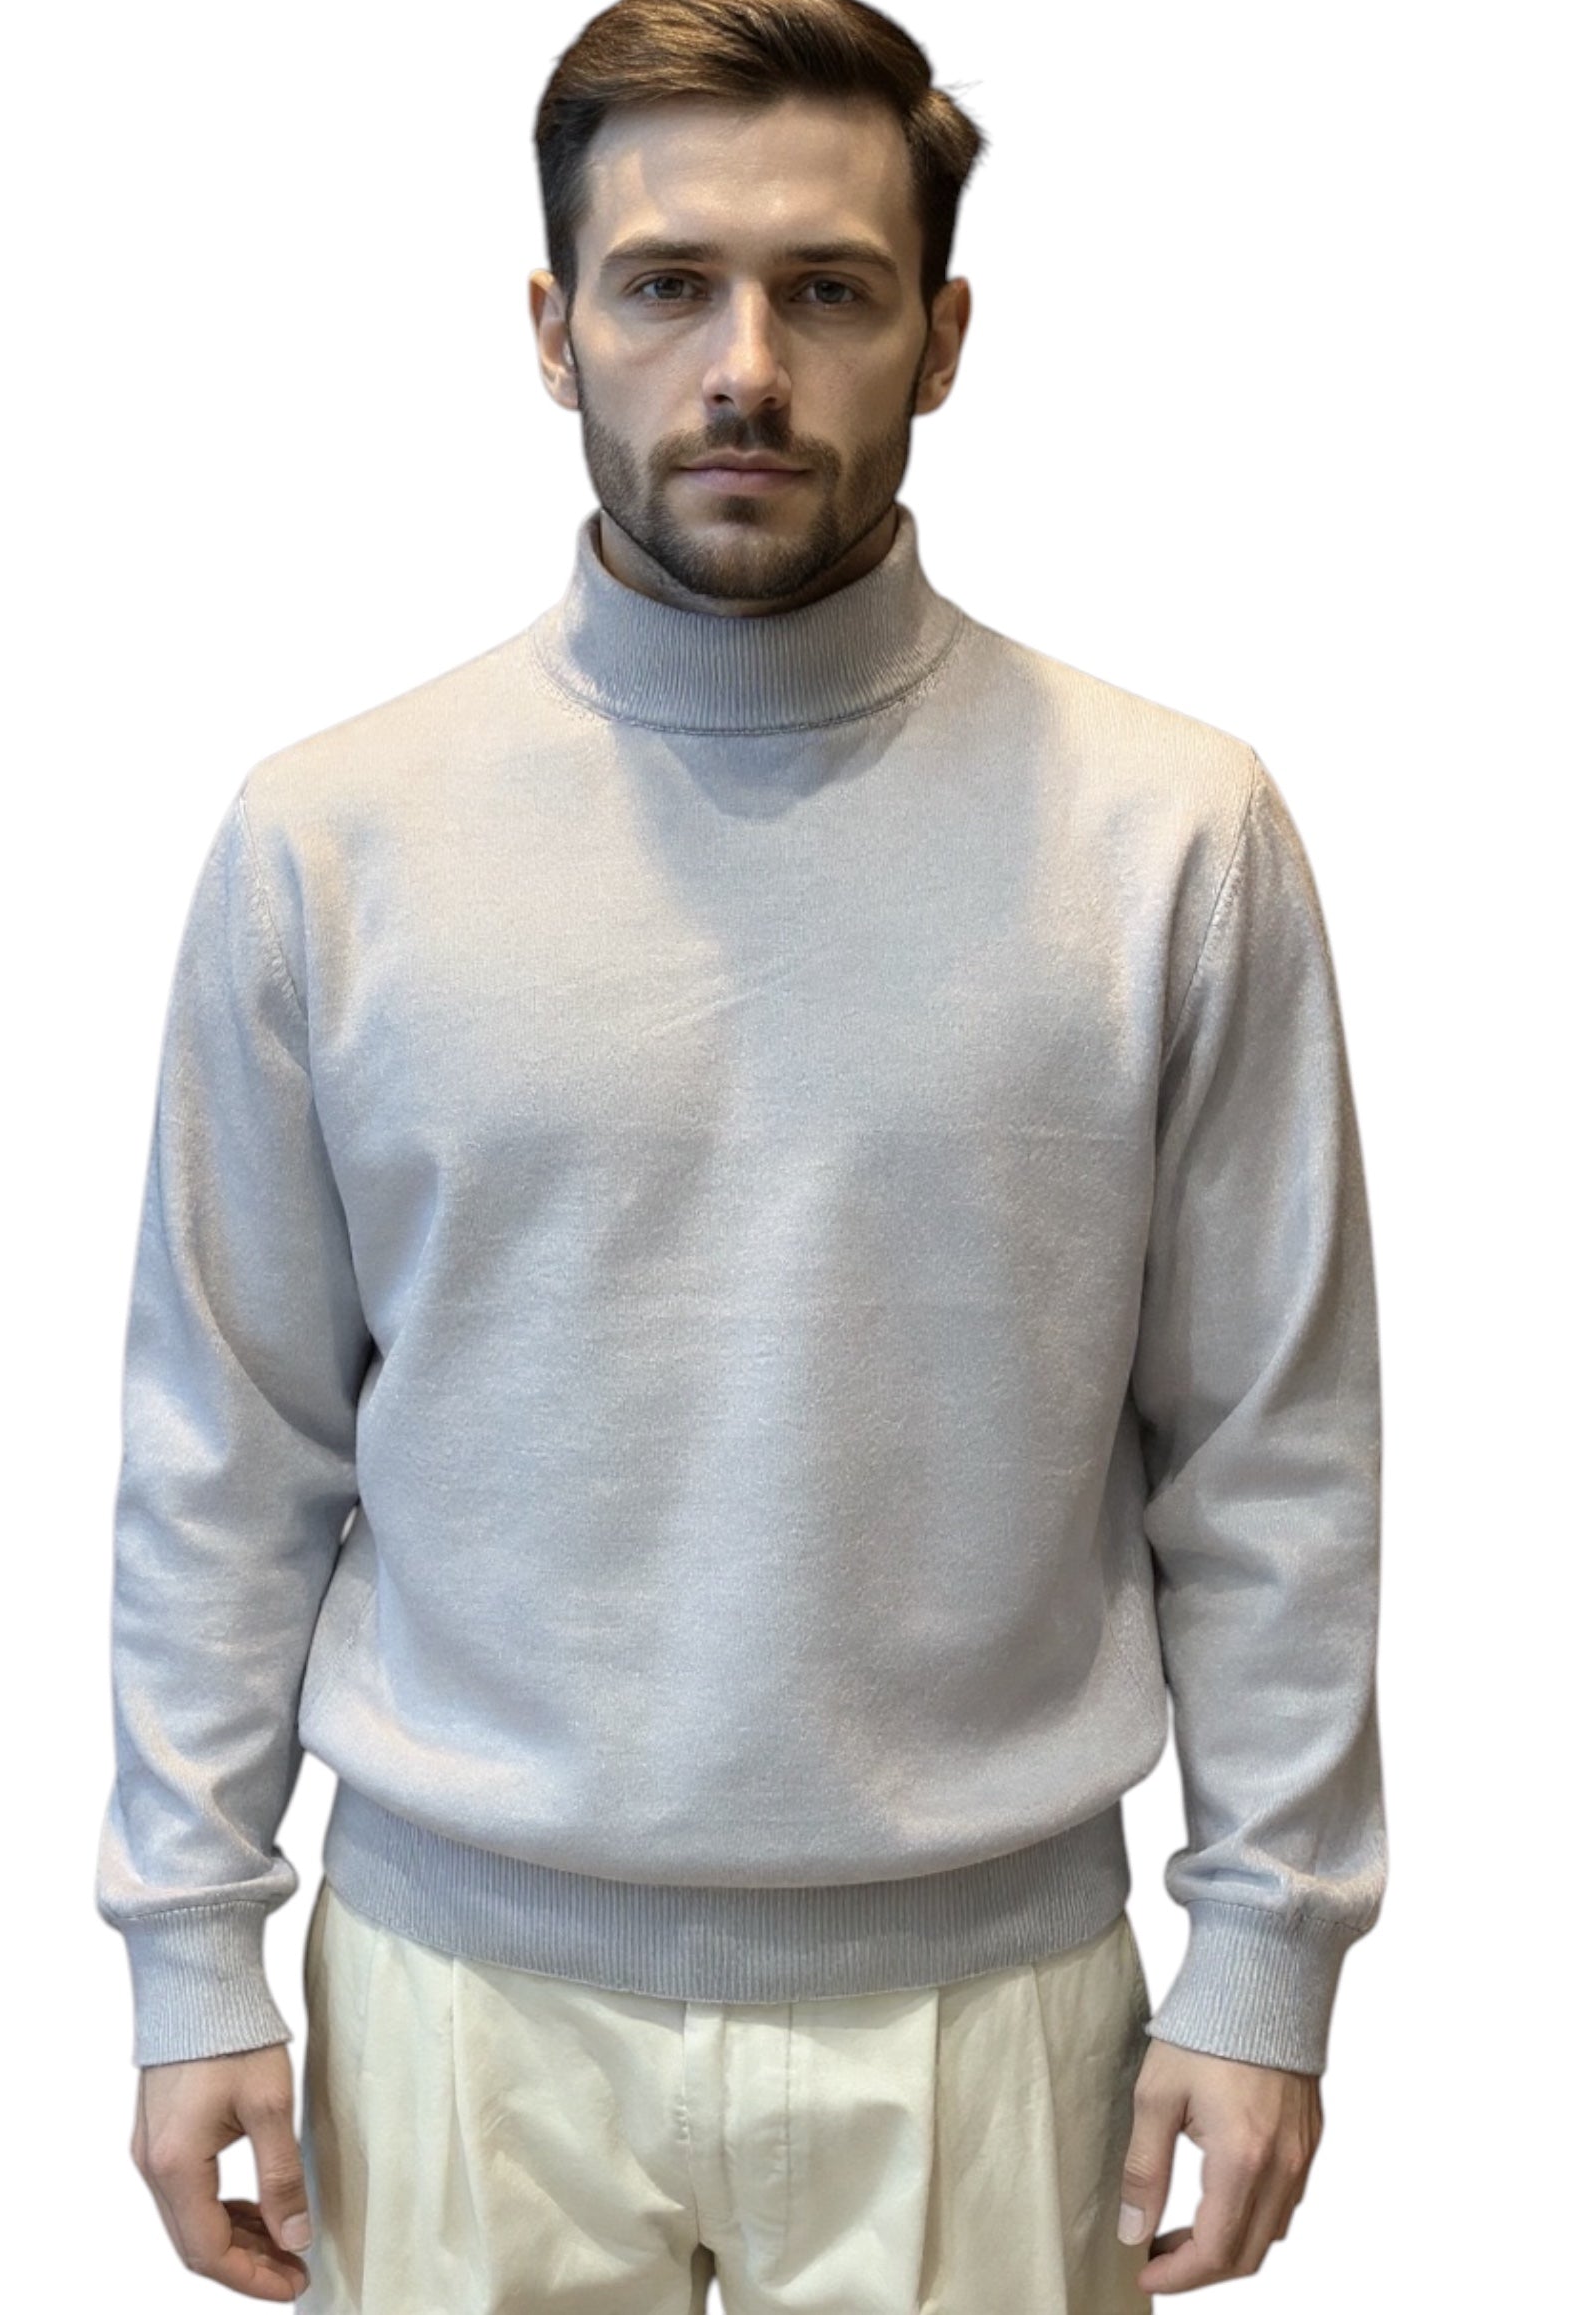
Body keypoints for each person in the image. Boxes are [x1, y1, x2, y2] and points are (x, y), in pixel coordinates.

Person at [97, 2, 1386, 2306]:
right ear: (553, 327)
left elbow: (1271, 1452)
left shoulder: (1169, 841)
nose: (748, 370)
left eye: (831, 289)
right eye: (669, 284)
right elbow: (230, 1443)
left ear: (945, 337)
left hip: (994, 2016)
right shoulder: (334, 843)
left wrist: (1266, 1952)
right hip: (459, 2011)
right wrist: (194, 1950)